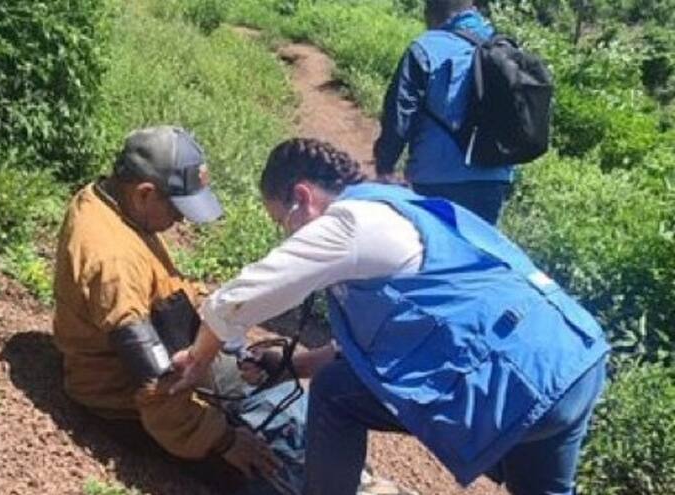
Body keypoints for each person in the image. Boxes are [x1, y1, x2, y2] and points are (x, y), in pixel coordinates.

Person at [172, 138, 610, 495]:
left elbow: (241, 297)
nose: (287, 235)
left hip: (518, 382)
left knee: (334, 395)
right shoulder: (401, 206)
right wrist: (292, 365)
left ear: (302, 197)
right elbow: (380, 345)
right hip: (572, 363)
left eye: (282, 222)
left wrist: (198, 360)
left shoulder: (349, 222)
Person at [52, 126, 284, 488]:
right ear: (145, 193)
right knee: (260, 475)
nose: (181, 221)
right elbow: (156, 386)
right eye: (177, 211)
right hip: (126, 403)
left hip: (168, 346)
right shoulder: (114, 263)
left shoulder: (109, 201)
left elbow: (159, 285)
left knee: (273, 399)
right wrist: (223, 440)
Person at [374, 0, 515, 225]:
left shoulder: (424, 48)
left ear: (430, 12)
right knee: (477, 252)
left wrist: (385, 167)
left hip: (435, 177)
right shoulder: (503, 49)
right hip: (493, 180)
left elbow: (399, 116)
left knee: (436, 251)